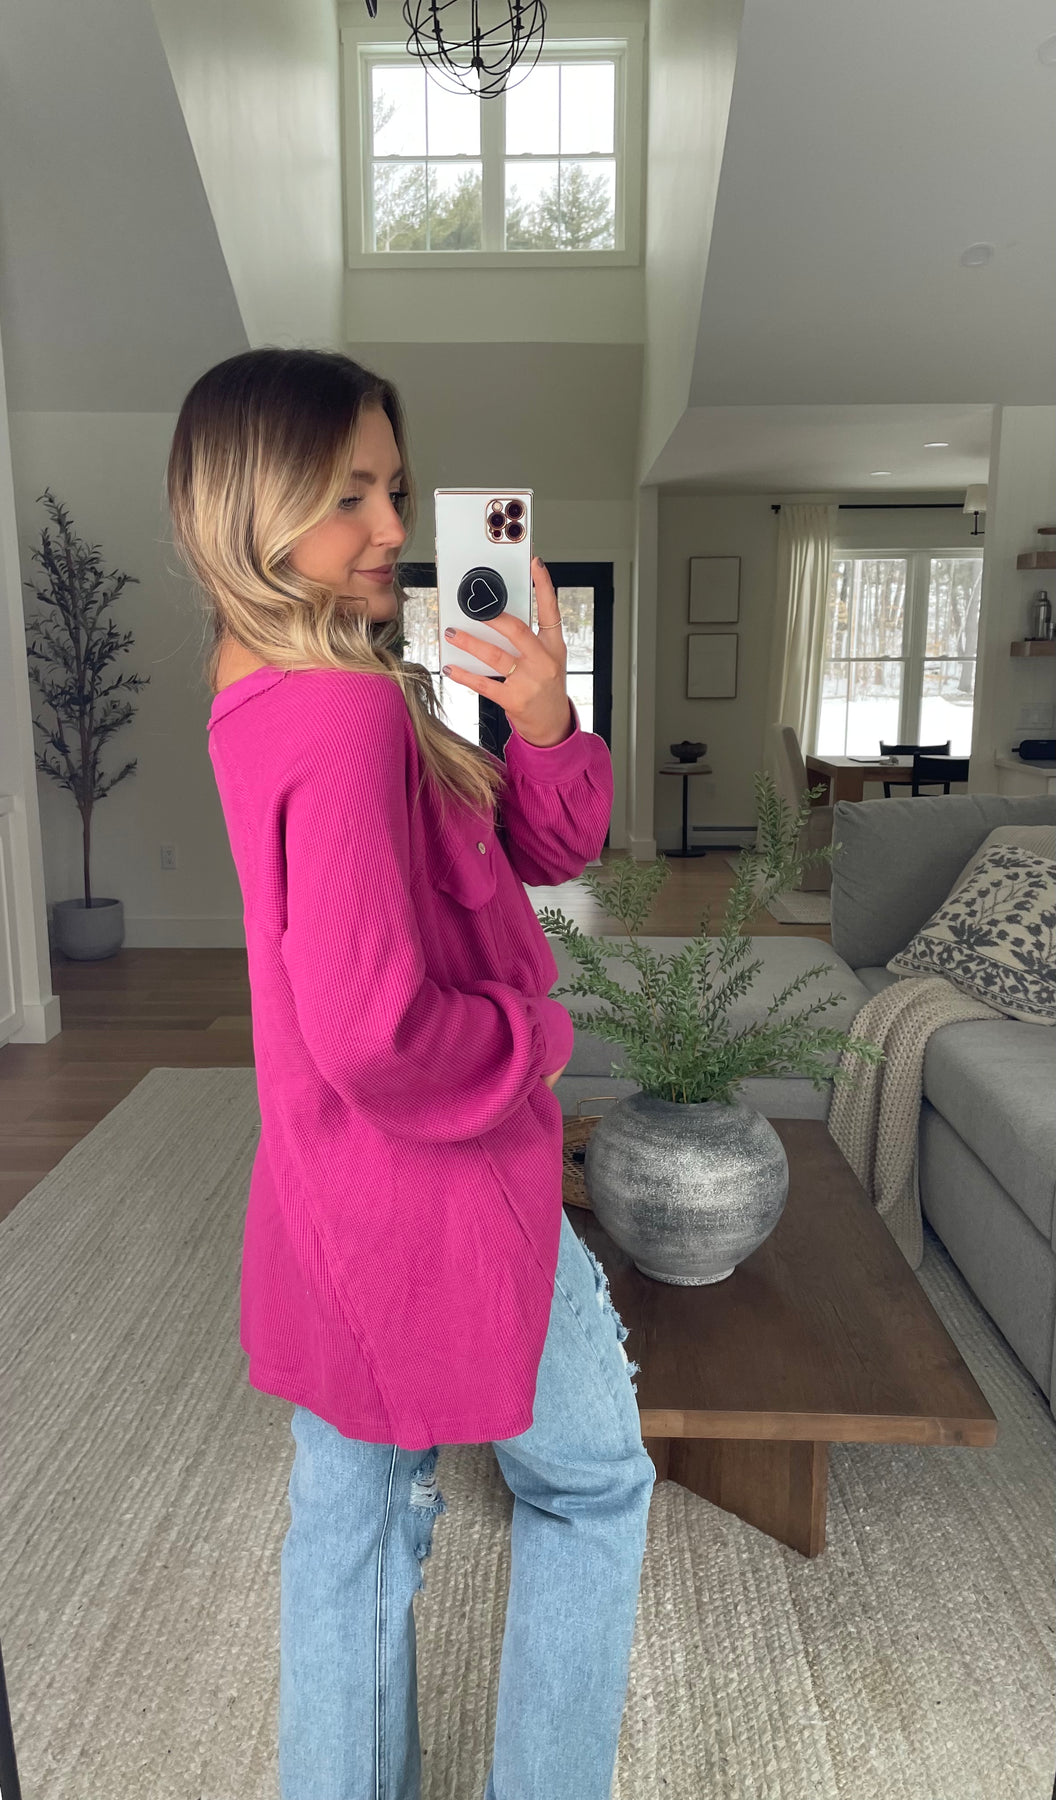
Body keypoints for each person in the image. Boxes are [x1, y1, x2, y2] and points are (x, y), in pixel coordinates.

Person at [166, 348, 655, 1800]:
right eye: (350, 495)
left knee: (354, 1529)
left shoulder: (280, 685)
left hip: (336, 1187)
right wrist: (537, 1036)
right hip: (444, 1186)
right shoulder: (343, 713)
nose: (392, 525)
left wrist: (546, 723)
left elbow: (532, 845)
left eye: (395, 487)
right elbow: (377, 1029)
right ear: (254, 508)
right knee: (591, 1483)